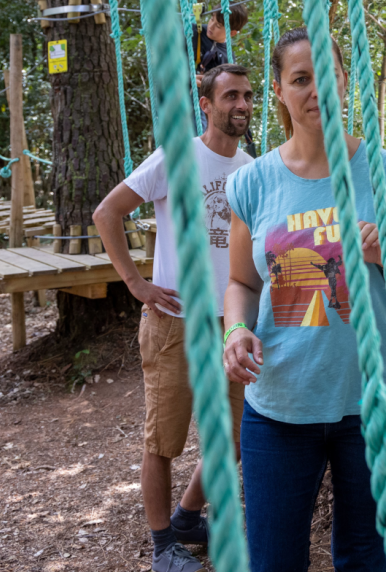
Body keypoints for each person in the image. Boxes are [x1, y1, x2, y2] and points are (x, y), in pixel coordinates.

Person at [221, 28, 386, 571]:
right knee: (272, 559)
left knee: (369, 557)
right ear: (279, 90)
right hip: (279, 402)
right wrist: (235, 330)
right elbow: (242, 283)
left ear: (346, 79)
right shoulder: (252, 183)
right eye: (300, 79)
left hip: (374, 403)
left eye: (327, 76)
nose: (317, 91)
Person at [93, 64, 256, 572]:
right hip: (174, 321)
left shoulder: (253, 168)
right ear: (205, 105)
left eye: (248, 96)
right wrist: (136, 284)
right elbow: (107, 212)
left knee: (235, 434)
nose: (241, 105)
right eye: (230, 96)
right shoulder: (176, 157)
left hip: (230, 321)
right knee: (164, 438)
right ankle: (164, 543)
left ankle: (188, 516)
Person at [194, 3, 249, 74]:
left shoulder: (228, 58)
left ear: (231, 33)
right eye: (212, 19)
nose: (210, 26)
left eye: (218, 26)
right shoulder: (195, 31)